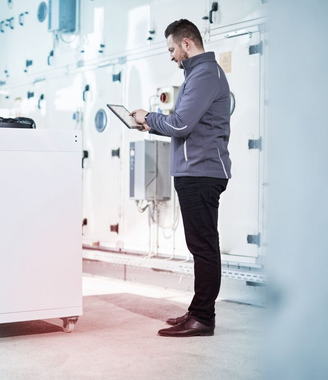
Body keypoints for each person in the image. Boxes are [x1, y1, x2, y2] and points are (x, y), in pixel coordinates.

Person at [131, 19, 232, 337]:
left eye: (172, 49)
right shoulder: (199, 75)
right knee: (199, 245)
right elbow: (183, 126)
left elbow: (180, 125)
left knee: (203, 247)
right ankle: (197, 310)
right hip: (194, 170)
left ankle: (203, 318)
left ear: (187, 44)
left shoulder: (204, 74)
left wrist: (150, 117)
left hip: (201, 173)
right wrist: (153, 124)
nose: (172, 56)